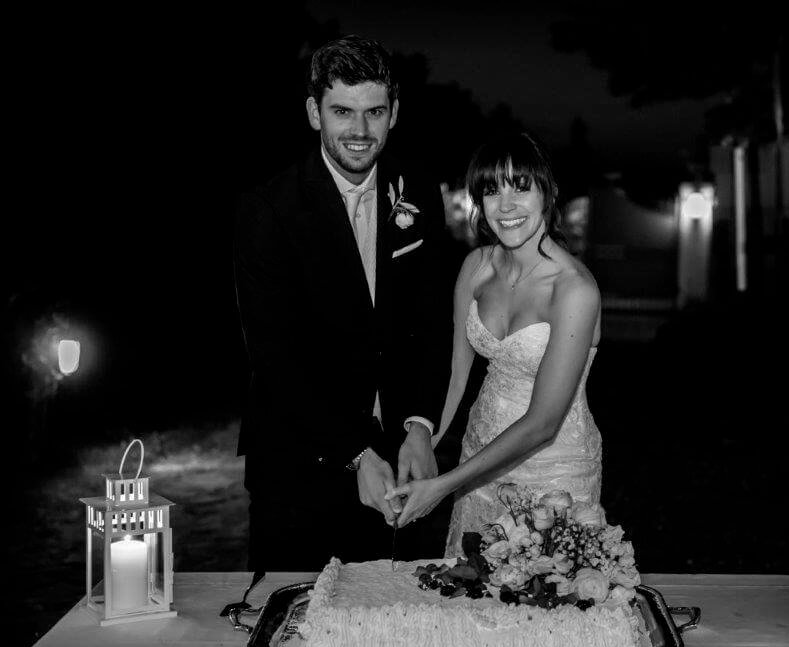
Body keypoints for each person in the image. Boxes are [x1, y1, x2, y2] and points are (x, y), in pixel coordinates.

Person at [233, 35, 452, 571]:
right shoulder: (268, 210)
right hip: (299, 464)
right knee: (296, 628)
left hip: (404, 465)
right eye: (342, 112)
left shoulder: (419, 190)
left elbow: (432, 321)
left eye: (374, 112)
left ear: (394, 113)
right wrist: (356, 454)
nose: (359, 131)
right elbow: (275, 358)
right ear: (314, 113)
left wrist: (420, 427)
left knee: (397, 633)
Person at [387, 132, 603, 557]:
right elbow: (455, 373)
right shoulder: (476, 267)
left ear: (549, 193)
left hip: (554, 471)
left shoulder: (575, 290)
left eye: (520, 187)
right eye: (491, 190)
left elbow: (544, 422)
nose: (505, 206)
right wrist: (421, 439)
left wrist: (446, 484)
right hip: (480, 453)